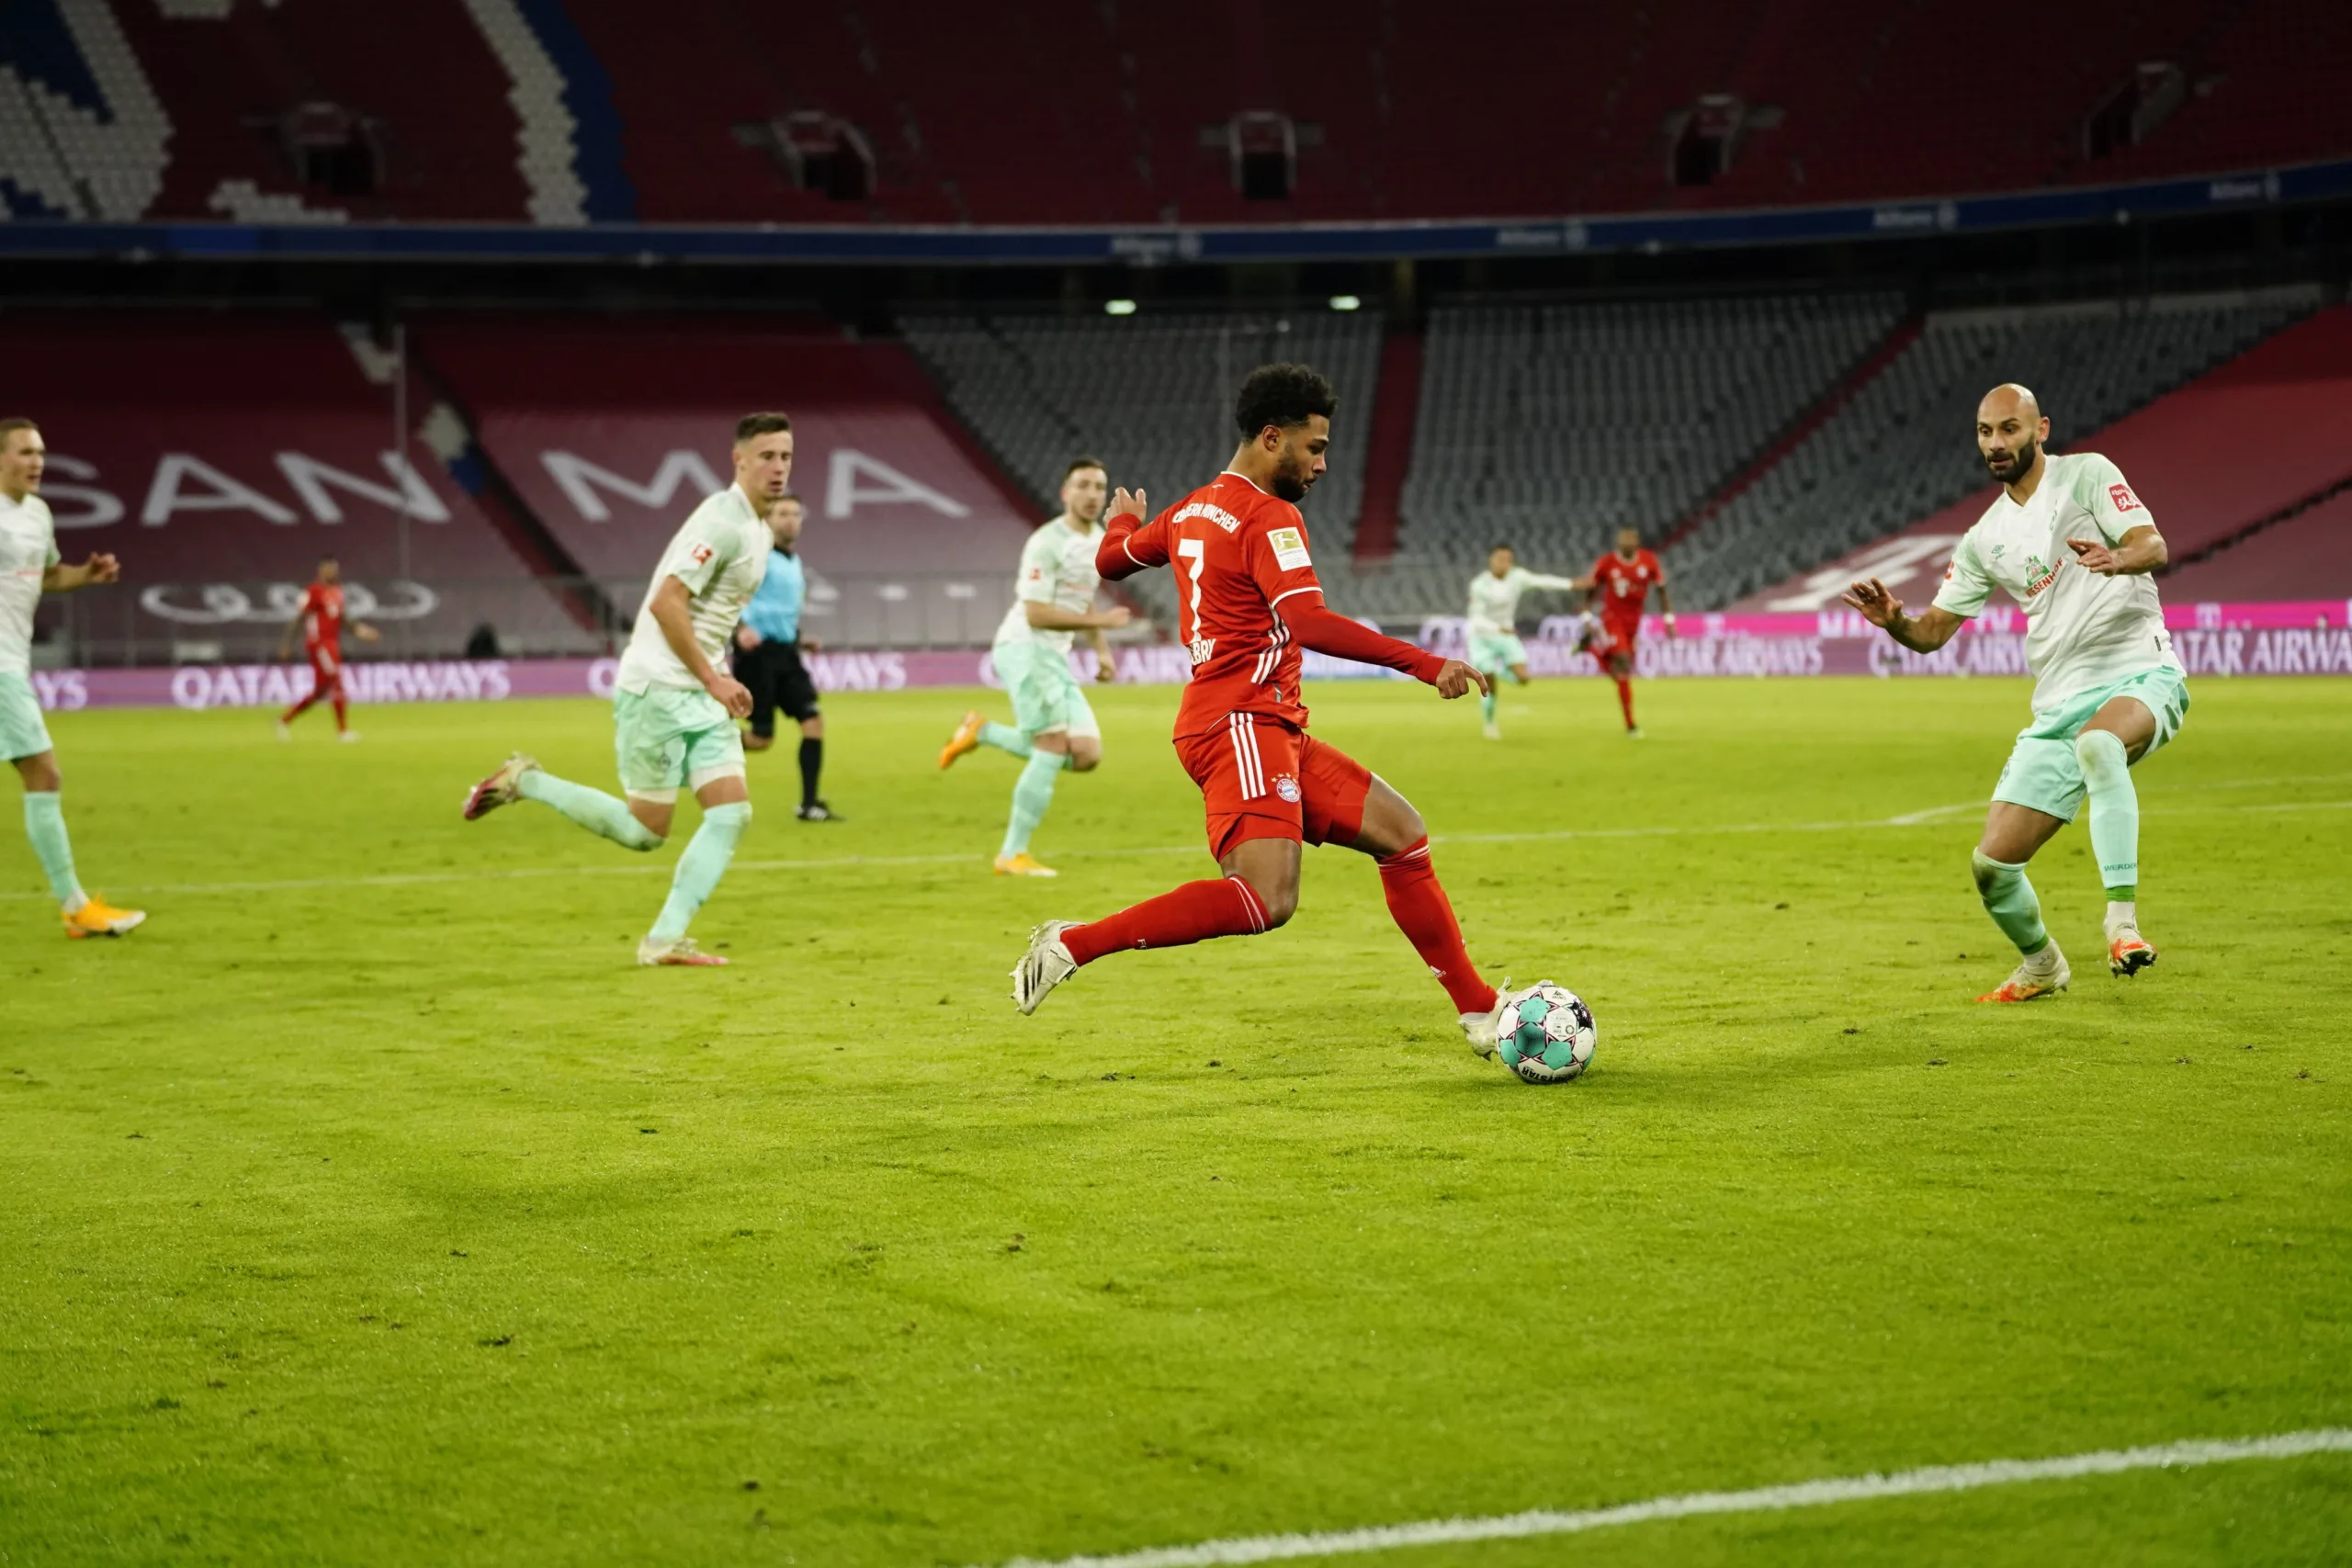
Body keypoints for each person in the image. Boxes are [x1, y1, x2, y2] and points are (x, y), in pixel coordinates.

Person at [1009, 365, 1510, 1056]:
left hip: (1258, 722)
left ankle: (1480, 1012)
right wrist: (1425, 664)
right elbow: (1310, 623)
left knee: (1403, 834)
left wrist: (1125, 518)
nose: (1323, 463)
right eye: (1314, 447)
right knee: (1265, 898)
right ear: (1272, 438)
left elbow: (1113, 557)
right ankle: (1073, 942)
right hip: (1239, 721)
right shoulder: (1269, 517)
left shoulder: (1191, 508)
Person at [1841, 383, 2183, 1003]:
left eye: (2009, 429)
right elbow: (1932, 632)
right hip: (2058, 704)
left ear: (2041, 428)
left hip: (2139, 670)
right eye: (1984, 432)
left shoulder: (2087, 477)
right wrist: (1896, 620)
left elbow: (2152, 544)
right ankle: (2043, 965)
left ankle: (2122, 924)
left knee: (2101, 745)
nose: (1996, 443)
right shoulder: (1984, 537)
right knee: (1992, 867)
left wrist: (2117, 558)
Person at [461, 412, 795, 967]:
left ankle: (663, 941)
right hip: (659, 687)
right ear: (738, 460)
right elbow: (666, 603)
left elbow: (712, 610)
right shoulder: (724, 521)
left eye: (785, 456)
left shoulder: (761, 529)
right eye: (766, 456)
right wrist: (715, 677)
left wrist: (717, 671)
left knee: (731, 814)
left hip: (701, 689)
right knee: (646, 832)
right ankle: (528, 781)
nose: (778, 467)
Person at [937, 457, 1127, 876]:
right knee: (1053, 745)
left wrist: (1101, 650)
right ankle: (1011, 854)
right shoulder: (1046, 542)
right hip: (1025, 647)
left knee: (1086, 753)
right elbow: (1038, 614)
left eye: (1099, 486)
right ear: (1065, 493)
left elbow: (1085, 597)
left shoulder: (1099, 541)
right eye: (1083, 485)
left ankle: (981, 731)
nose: (1092, 494)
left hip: (1053, 655)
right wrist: (1099, 624)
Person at [0, 417, 143, 938]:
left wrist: (87, 574)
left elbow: (48, 575)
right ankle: (76, 906)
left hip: (12, 661)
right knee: (45, 774)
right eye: (23, 452)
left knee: (41, 775)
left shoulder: (37, 514)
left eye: (40, 452)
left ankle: (75, 907)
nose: (36, 462)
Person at [733, 493, 835, 821]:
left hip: (786, 654)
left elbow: (779, 611)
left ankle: (809, 805)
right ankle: (696, 747)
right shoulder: (755, 556)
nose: (790, 519)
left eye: (794, 513)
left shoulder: (793, 561)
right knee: (761, 739)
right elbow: (726, 594)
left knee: (813, 721)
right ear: (769, 519)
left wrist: (801, 640)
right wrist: (739, 629)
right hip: (757, 654)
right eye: (782, 513)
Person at [1464, 543, 1579, 739]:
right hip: (1481, 637)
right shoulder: (1479, 585)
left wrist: (1570, 584)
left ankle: (1495, 671)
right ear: (1491, 560)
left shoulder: (1516, 577)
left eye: (1508, 560)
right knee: (1489, 685)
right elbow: (1476, 620)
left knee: (1523, 678)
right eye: (1500, 559)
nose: (1504, 563)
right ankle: (1490, 724)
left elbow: (1542, 581)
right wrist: (1497, 628)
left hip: (1505, 635)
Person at [1572, 525, 1676, 737]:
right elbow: (1592, 590)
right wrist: (1585, 615)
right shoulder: (1607, 562)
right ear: (1618, 542)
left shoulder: (1648, 561)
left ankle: (1590, 649)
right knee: (1623, 659)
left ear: (1638, 542)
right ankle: (1631, 725)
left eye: (1631, 538)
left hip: (1634, 622)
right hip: (1612, 619)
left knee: (1622, 673)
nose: (1627, 542)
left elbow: (1661, 591)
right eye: (1623, 538)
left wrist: (1669, 619)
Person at [275, 557, 379, 741]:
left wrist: (362, 631)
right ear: (321, 570)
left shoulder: (337, 592)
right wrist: (287, 644)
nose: (333, 572)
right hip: (319, 644)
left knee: (320, 691)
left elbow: (343, 620)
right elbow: (299, 619)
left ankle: (284, 720)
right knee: (336, 681)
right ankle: (343, 732)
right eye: (329, 569)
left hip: (332, 644)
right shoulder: (313, 591)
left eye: (335, 569)